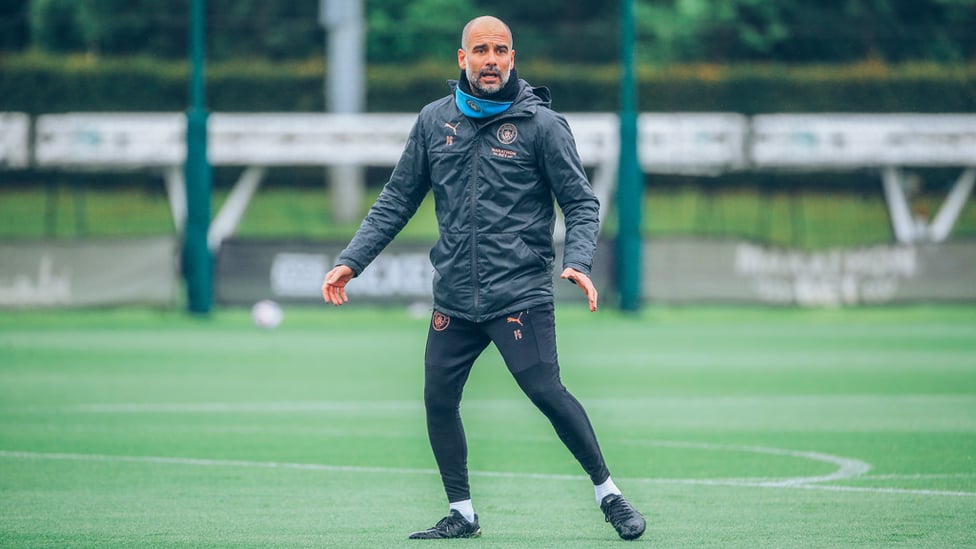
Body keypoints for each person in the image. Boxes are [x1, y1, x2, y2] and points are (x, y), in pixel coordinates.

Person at [321, 15, 646, 542]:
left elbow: (582, 204)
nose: (490, 60)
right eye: (480, 51)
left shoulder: (543, 126)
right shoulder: (433, 121)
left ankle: (608, 494)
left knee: (545, 391)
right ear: (462, 59)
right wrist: (352, 259)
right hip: (453, 296)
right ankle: (462, 513)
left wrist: (579, 262)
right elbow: (397, 199)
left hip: (518, 292)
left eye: (500, 51)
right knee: (438, 399)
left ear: (512, 58)